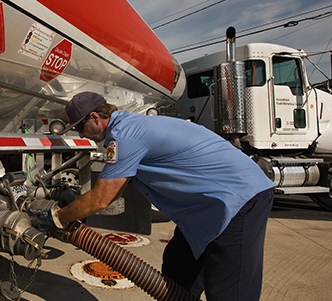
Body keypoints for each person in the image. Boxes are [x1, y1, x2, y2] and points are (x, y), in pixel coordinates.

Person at [32, 91, 275, 301]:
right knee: (178, 270)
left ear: (95, 118)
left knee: (228, 290)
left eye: (80, 127)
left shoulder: (125, 136)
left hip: (238, 200)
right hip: (207, 208)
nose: (82, 135)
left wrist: (56, 217)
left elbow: (101, 199)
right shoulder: (129, 126)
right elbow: (115, 194)